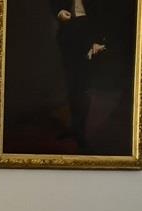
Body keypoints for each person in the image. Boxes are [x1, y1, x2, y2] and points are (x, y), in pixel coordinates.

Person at [51, 0, 106, 150]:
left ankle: (81, 130)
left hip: (88, 32)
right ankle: (75, 127)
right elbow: (53, 3)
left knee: (83, 85)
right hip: (68, 32)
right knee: (71, 82)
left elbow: (103, 12)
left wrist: (97, 40)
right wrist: (59, 12)